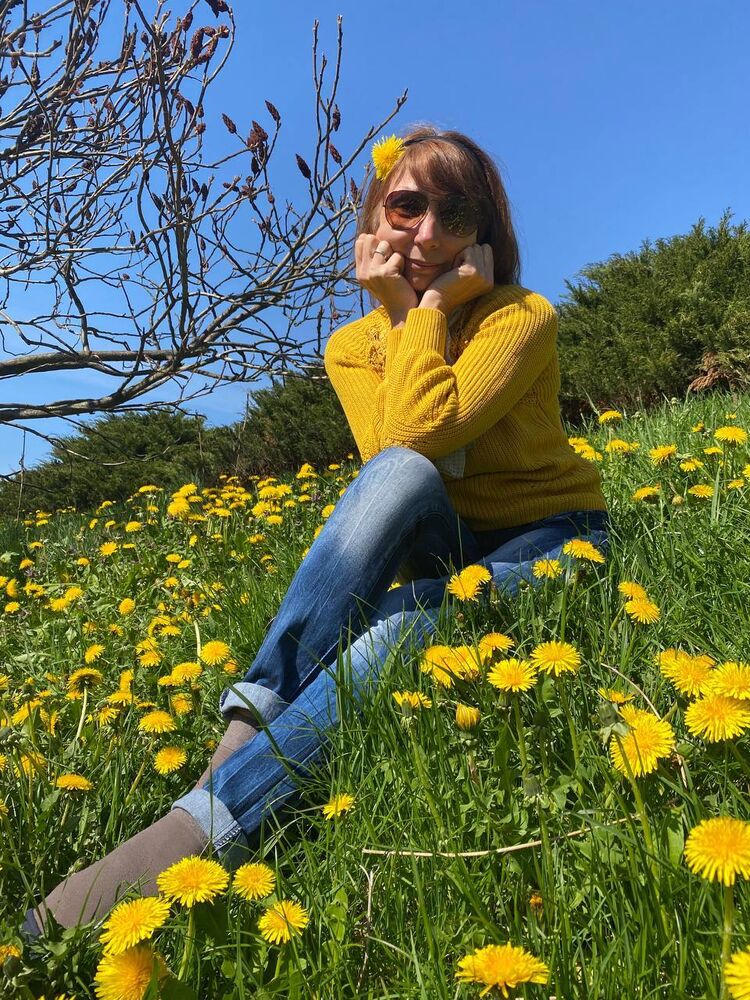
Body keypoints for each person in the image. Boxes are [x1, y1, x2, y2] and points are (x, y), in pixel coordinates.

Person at [25, 125, 608, 934]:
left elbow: (426, 427)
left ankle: (205, 825)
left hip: (551, 536)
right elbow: (398, 459)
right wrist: (401, 316)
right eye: (407, 206)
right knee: (398, 478)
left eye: (455, 214)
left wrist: (420, 308)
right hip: (441, 535)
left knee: (402, 625)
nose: (427, 234)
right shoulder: (350, 347)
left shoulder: (519, 315)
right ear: (375, 216)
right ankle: (246, 729)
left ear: (484, 233)